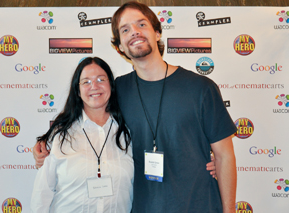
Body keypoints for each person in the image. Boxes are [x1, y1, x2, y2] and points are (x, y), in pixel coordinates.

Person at [33, 1, 233, 212]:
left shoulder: (201, 88)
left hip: (199, 205)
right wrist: (45, 143)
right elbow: (83, 115)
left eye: (141, 24)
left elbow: (225, 156)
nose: (134, 32)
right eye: (125, 29)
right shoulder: (117, 90)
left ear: (157, 33)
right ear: (119, 45)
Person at [30, 57, 133, 212]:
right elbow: (42, 194)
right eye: (86, 82)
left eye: (101, 79)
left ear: (111, 85)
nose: (94, 86)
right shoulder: (60, 135)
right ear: (77, 91)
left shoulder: (127, 132)